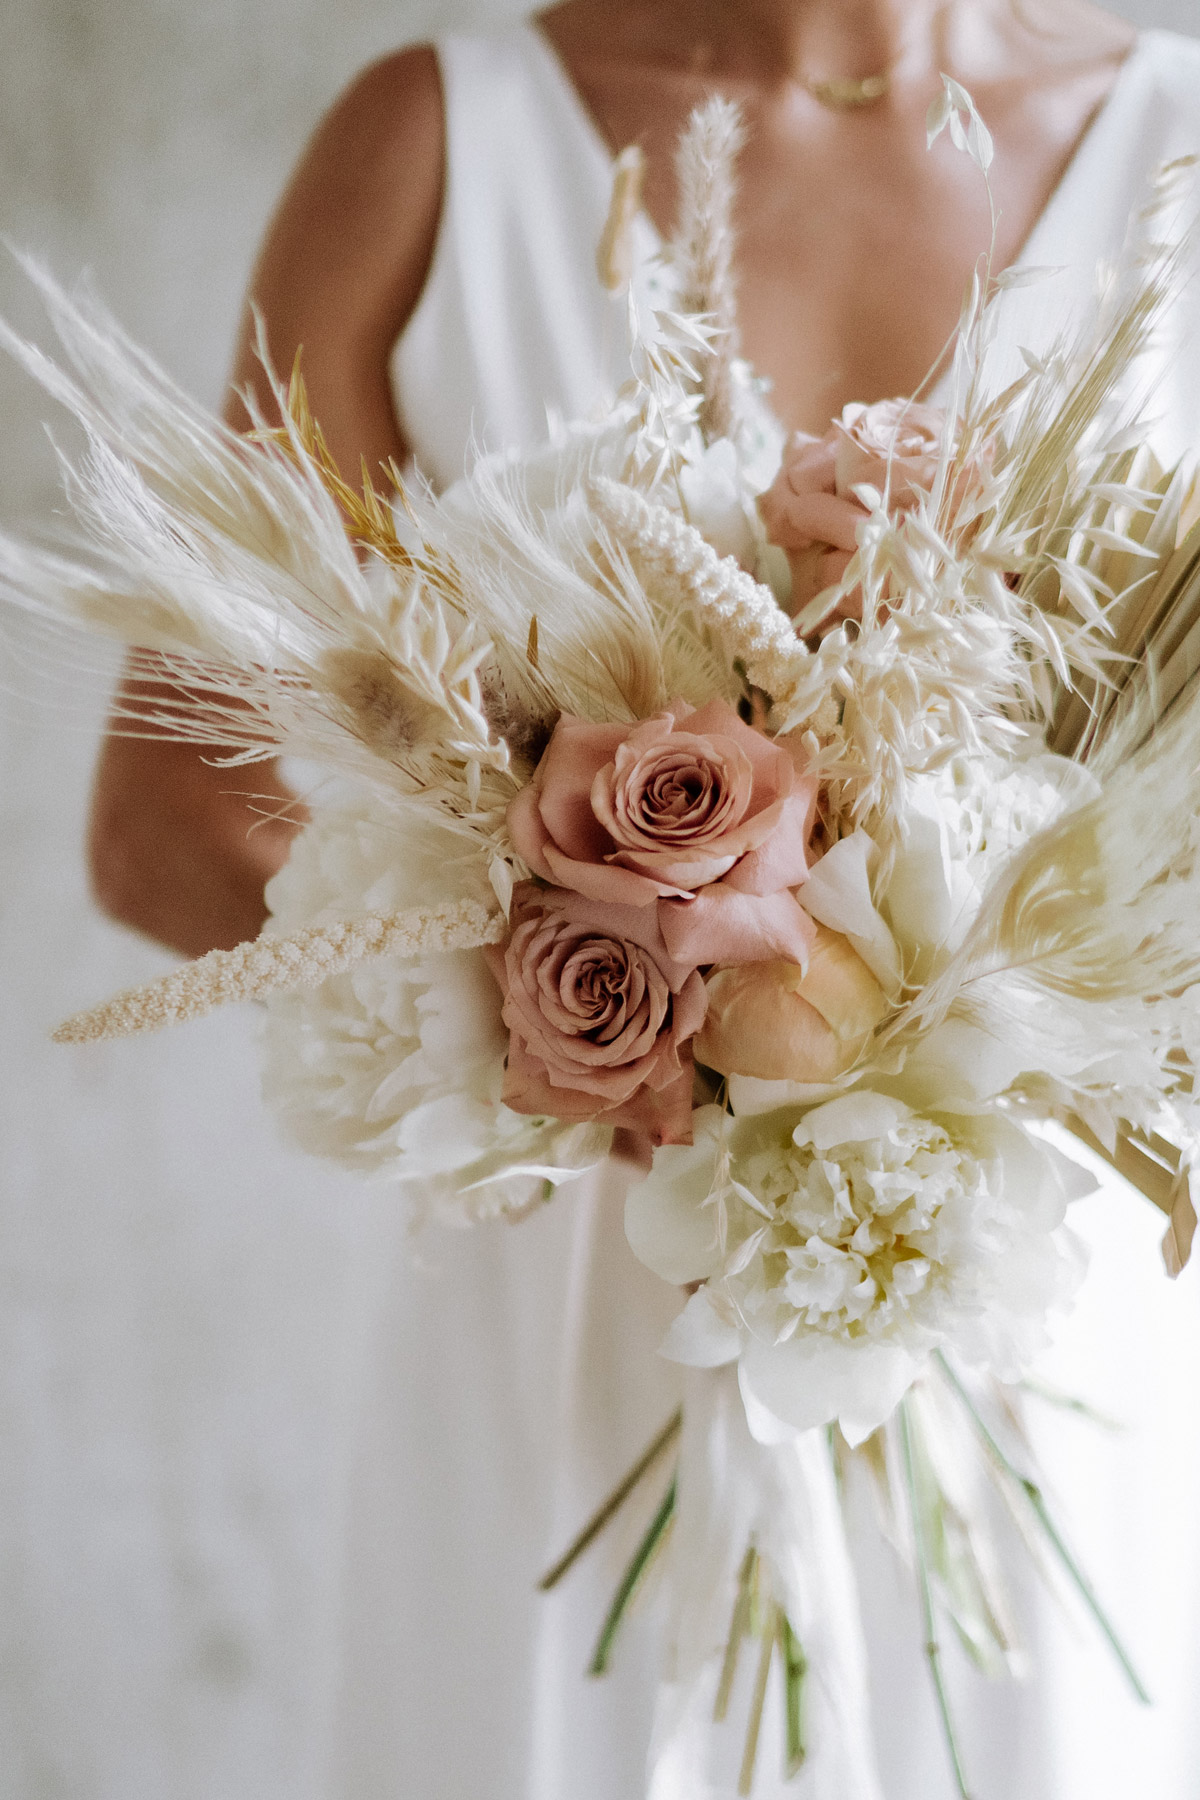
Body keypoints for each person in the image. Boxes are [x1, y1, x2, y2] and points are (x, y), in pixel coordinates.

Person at [84, 3, 1200, 1797]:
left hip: (1035, 1310)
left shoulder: (1180, 144)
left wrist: (998, 1023)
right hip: (568, 1334)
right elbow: (163, 822)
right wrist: (588, 975)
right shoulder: (441, 138)